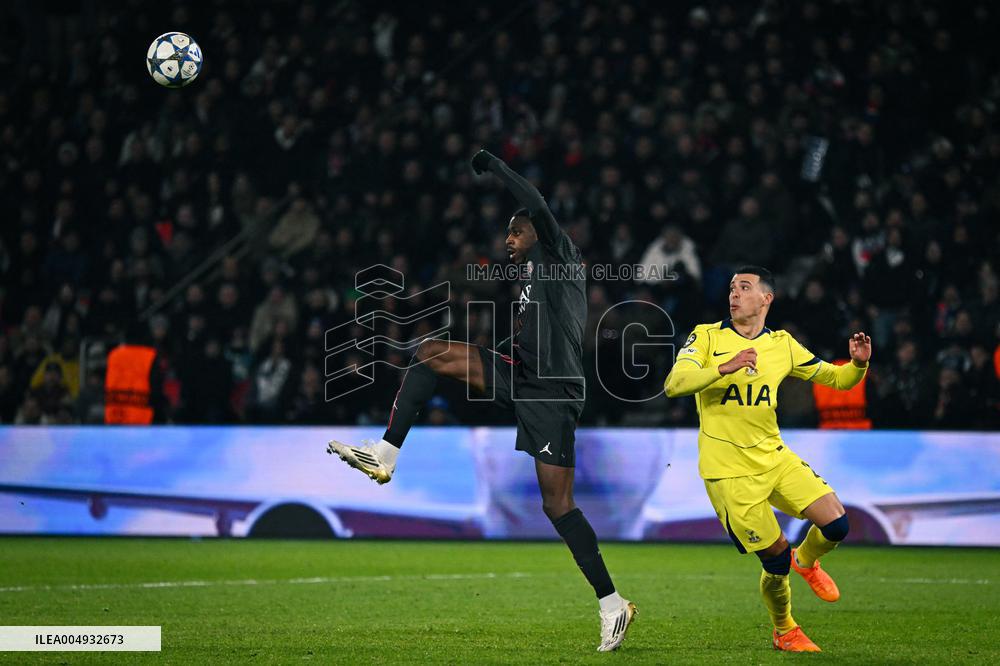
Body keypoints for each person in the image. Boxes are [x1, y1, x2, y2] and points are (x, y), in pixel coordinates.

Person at [327, 149, 636, 652]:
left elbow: (533, 199)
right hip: (519, 373)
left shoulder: (559, 256)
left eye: (514, 233)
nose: (507, 241)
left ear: (534, 230)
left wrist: (494, 166)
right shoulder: (526, 278)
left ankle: (612, 604)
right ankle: (386, 454)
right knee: (428, 352)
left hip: (554, 390)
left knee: (557, 505)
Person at [664, 266, 872, 653]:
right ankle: (785, 629)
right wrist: (725, 367)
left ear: (766, 298)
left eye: (745, 287)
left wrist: (858, 364)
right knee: (775, 559)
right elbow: (674, 384)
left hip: (774, 457)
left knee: (837, 524)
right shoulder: (706, 336)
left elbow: (837, 380)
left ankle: (807, 561)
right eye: (731, 287)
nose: (734, 294)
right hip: (728, 472)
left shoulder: (782, 345)